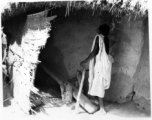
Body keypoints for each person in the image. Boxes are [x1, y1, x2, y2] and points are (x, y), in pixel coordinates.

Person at [80, 24, 114, 115]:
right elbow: (104, 53)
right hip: (105, 63)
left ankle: (102, 109)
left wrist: (85, 61)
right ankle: (100, 105)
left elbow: (95, 51)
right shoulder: (106, 38)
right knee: (100, 85)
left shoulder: (98, 37)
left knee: (99, 85)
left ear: (100, 30)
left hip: (100, 65)